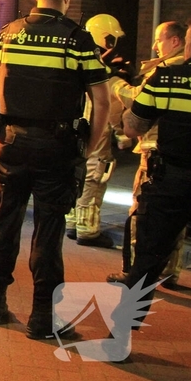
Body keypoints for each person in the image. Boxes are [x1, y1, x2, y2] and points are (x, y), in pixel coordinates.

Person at [0, 0, 109, 340]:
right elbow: (100, 99)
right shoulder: (78, 39)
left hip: (11, 146)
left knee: (5, 220)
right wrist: (90, 145)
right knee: (49, 230)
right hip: (56, 149)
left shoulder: (7, 34)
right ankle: (42, 317)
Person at [117, 17, 191, 312]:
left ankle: (121, 332)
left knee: (149, 259)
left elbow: (133, 127)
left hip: (171, 180)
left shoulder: (165, 77)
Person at [106, 20, 187, 287]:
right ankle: (170, 271)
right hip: (179, 155)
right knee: (177, 218)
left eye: (159, 39)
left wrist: (115, 81)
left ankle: (134, 273)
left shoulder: (165, 72)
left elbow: (136, 100)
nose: (154, 46)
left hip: (155, 152)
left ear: (175, 42)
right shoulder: (185, 71)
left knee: (141, 215)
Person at [63, 14, 127, 247]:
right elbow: (111, 106)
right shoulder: (105, 69)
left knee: (79, 175)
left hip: (76, 129)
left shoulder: (80, 58)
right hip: (97, 131)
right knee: (95, 176)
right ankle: (88, 231)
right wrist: (121, 133)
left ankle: (72, 223)